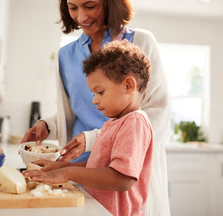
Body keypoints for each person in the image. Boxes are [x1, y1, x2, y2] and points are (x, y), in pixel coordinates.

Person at [21, 0, 171, 215]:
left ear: (110, 1)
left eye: (90, 6)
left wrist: (95, 139)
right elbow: (75, 110)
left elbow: (158, 114)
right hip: (83, 175)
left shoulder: (141, 42)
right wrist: (47, 124)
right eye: (73, 8)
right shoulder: (65, 55)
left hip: (125, 188)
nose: (81, 17)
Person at [24, 40, 153, 216]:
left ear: (128, 85)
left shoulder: (135, 123)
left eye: (100, 92)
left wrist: (67, 173)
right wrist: (60, 167)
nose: (94, 100)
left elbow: (122, 179)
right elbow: (100, 166)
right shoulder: (115, 123)